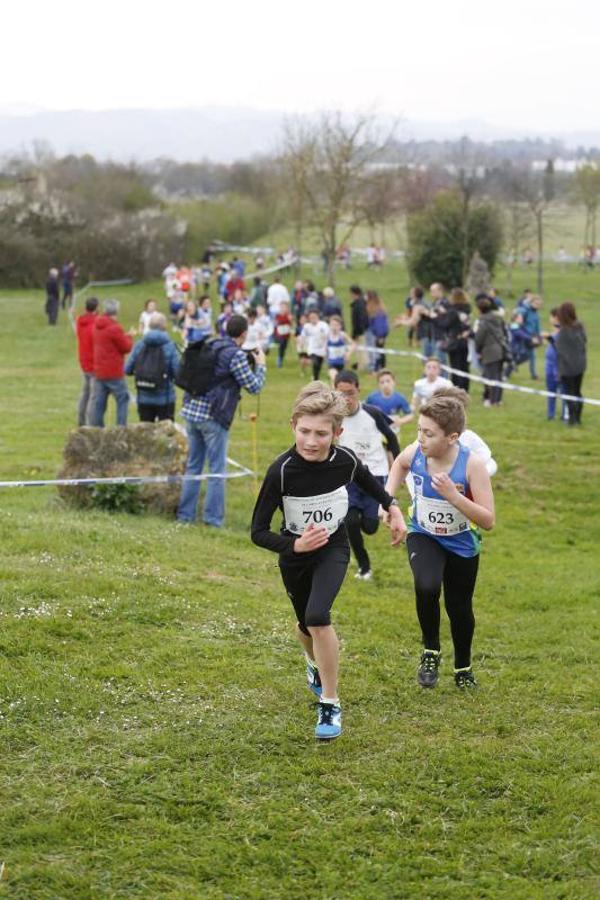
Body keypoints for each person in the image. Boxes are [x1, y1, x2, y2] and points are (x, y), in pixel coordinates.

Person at [251, 382, 406, 740]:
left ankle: (330, 703)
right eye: (304, 431)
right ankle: (313, 663)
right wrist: (295, 547)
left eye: (321, 434)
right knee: (305, 625)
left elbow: (369, 482)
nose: (311, 441)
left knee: (319, 617)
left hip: (333, 546)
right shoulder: (282, 471)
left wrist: (392, 507)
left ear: (337, 433)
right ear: (293, 426)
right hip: (295, 554)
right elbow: (258, 532)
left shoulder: (345, 460)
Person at [384, 393, 495, 689]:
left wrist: (455, 496)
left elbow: (488, 520)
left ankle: (463, 667)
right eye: (419, 429)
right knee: (427, 585)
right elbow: (399, 465)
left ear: (452, 437)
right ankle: (430, 650)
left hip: (461, 542)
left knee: (459, 607)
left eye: (429, 433)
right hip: (423, 534)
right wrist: (389, 500)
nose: (420, 438)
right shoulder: (417, 452)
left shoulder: (472, 465)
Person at [176, 315, 266, 527]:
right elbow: (254, 387)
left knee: (193, 466)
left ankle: (185, 516)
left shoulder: (212, 343)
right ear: (244, 334)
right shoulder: (235, 355)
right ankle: (213, 519)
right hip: (213, 416)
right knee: (217, 470)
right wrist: (261, 365)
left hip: (191, 411)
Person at [334, 370, 400, 579]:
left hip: (375, 476)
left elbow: (392, 437)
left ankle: (369, 515)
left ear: (358, 390)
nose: (346, 398)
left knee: (370, 527)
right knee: (350, 521)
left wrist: (399, 466)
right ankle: (364, 567)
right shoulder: (334, 417)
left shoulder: (372, 413)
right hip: (349, 478)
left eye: (350, 393)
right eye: (341, 393)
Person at [90, 299, 136, 427]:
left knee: (99, 403)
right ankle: (120, 428)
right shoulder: (115, 328)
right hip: (113, 372)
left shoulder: (97, 325)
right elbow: (126, 347)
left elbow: (111, 342)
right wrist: (130, 336)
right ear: (116, 311)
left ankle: (96, 430)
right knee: (122, 399)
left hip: (99, 371)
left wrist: (123, 336)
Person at [125, 312, 179, 422]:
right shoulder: (170, 347)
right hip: (165, 398)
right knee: (167, 435)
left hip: (144, 397)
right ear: (165, 326)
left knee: (146, 434)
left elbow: (127, 369)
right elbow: (177, 372)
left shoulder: (139, 345)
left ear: (149, 325)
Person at [433, 288, 472, 391]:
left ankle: (457, 389)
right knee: (464, 367)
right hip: (464, 341)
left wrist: (435, 317)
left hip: (455, 341)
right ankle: (465, 389)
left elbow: (445, 324)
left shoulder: (453, 311)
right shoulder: (467, 310)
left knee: (455, 367)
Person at [555, 302, 587, 426]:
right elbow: (583, 343)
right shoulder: (579, 327)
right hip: (580, 365)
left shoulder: (563, 332)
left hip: (568, 368)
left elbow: (560, 351)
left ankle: (572, 420)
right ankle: (577, 418)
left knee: (570, 393)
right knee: (577, 392)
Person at [474, 296, 506, 407]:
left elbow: (479, 338)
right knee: (498, 375)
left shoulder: (482, 322)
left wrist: (477, 350)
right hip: (500, 350)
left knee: (490, 377)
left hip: (489, 352)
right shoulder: (498, 318)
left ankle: (492, 400)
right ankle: (498, 399)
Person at [75, 296, 99, 426]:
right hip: (93, 362)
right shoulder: (95, 323)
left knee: (85, 392)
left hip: (83, 360)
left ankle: (81, 420)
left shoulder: (80, 321)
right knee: (93, 395)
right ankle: (90, 423)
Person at [543, 308, 565, 421]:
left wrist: (550, 339)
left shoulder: (563, 331)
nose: (550, 319)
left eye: (551, 316)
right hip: (549, 364)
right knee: (550, 391)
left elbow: (560, 348)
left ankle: (565, 415)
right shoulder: (554, 331)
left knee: (563, 391)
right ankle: (550, 415)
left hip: (559, 365)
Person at [516, 293, 542, 379]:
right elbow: (518, 315)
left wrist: (539, 337)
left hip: (532, 336)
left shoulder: (536, 314)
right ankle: (511, 365)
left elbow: (537, 327)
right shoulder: (524, 310)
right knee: (524, 355)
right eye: (535, 303)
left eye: (539, 304)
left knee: (532, 356)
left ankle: (533, 374)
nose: (537, 306)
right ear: (531, 302)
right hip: (524, 336)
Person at [301, 309, 329, 380]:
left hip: (322, 348)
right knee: (315, 362)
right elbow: (303, 336)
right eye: (311, 318)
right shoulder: (306, 326)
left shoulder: (323, 325)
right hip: (312, 348)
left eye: (314, 317)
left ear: (318, 317)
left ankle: (316, 376)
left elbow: (327, 335)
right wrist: (302, 342)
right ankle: (315, 378)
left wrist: (324, 338)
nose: (313, 319)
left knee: (319, 364)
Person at [366, 290, 389, 372]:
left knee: (377, 351)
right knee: (381, 350)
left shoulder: (374, 310)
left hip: (376, 334)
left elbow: (378, 324)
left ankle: (377, 369)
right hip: (381, 333)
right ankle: (382, 367)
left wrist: (380, 336)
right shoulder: (381, 307)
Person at [326, 315, 353, 383]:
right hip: (331, 363)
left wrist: (348, 354)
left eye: (336, 325)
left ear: (340, 326)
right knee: (334, 378)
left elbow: (353, 344)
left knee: (340, 382)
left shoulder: (342, 335)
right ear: (329, 326)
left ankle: (336, 393)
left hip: (342, 363)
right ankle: (332, 393)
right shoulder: (328, 335)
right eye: (332, 325)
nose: (334, 327)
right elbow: (324, 347)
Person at [349, 285, 369, 370]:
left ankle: (362, 365)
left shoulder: (358, 305)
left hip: (360, 331)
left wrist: (356, 333)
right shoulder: (362, 302)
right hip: (362, 330)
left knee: (361, 349)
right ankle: (361, 364)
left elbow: (358, 320)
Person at [274, 300, 293, 368]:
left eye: (285, 307)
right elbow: (275, 324)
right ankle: (279, 360)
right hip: (279, 334)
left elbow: (291, 324)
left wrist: (290, 320)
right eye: (282, 307)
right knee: (281, 345)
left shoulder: (288, 315)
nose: (283, 308)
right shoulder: (277, 315)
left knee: (284, 347)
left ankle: (281, 357)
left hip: (286, 334)